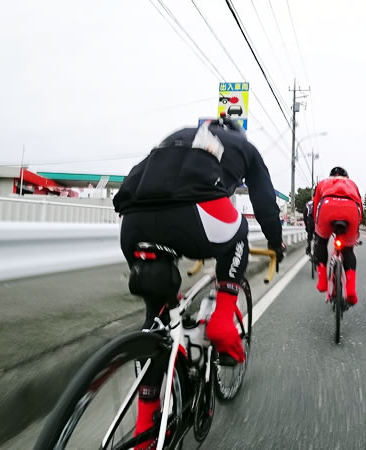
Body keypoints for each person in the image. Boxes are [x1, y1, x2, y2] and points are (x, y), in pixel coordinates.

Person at [114, 118, 284, 446]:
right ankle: (222, 319)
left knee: (157, 320)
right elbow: (264, 204)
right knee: (238, 236)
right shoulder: (245, 147)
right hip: (196, 215)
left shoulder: (176, 134)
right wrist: (275, 244)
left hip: (134, 223)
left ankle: (146, 423)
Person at [312, 167, 362, 305]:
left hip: (327, 206)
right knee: (348, 250)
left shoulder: (323, 183)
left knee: (321, 242)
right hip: (351, 209)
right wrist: (356, 229)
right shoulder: (352, 184)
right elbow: (360, 207)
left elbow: (316, 206)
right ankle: (351, 290)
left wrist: (317, 226)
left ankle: (322, 282)